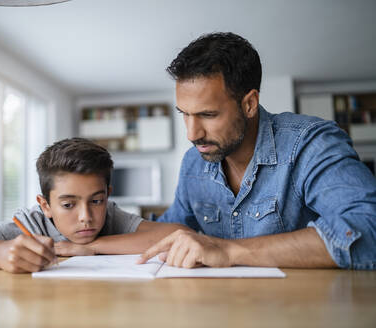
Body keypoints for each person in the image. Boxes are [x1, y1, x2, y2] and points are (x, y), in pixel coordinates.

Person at [138, 32, 376, 270]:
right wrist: (102, 233)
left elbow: (369, 226)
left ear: (249, 104)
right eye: (185, 114)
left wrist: (227, 250)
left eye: (207, 115)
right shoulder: (194, 162)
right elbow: (169, 230)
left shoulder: (311, 145)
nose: (192, 134)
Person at [0, 138, 189, 273]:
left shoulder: (112, 218)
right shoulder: (28, 227)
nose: (86, 217)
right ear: (46, 205)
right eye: (68, 204)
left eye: (97, 200)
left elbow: (176, 233)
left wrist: (90, 247)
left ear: (108, 195)